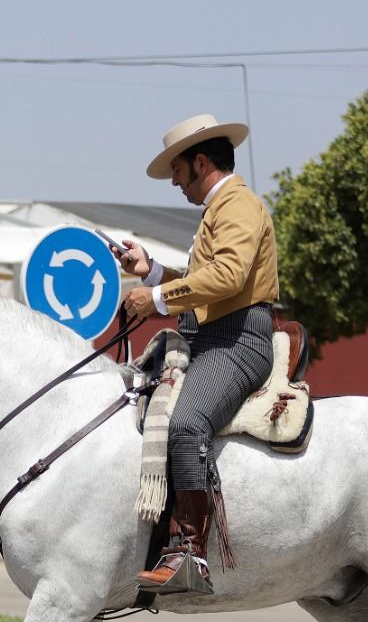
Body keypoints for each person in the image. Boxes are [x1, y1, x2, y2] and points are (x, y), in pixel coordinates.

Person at [111, 114, 279, 592]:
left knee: (185, 422)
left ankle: (189, 553)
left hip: (237, 343)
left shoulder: (238, 205)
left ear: (201, 162)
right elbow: (206, 283)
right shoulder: (218, 210)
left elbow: (225, 279)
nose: (176, 184)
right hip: (211, 338)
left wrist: (157, 300)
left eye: (179, 173)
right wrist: (150, 271)